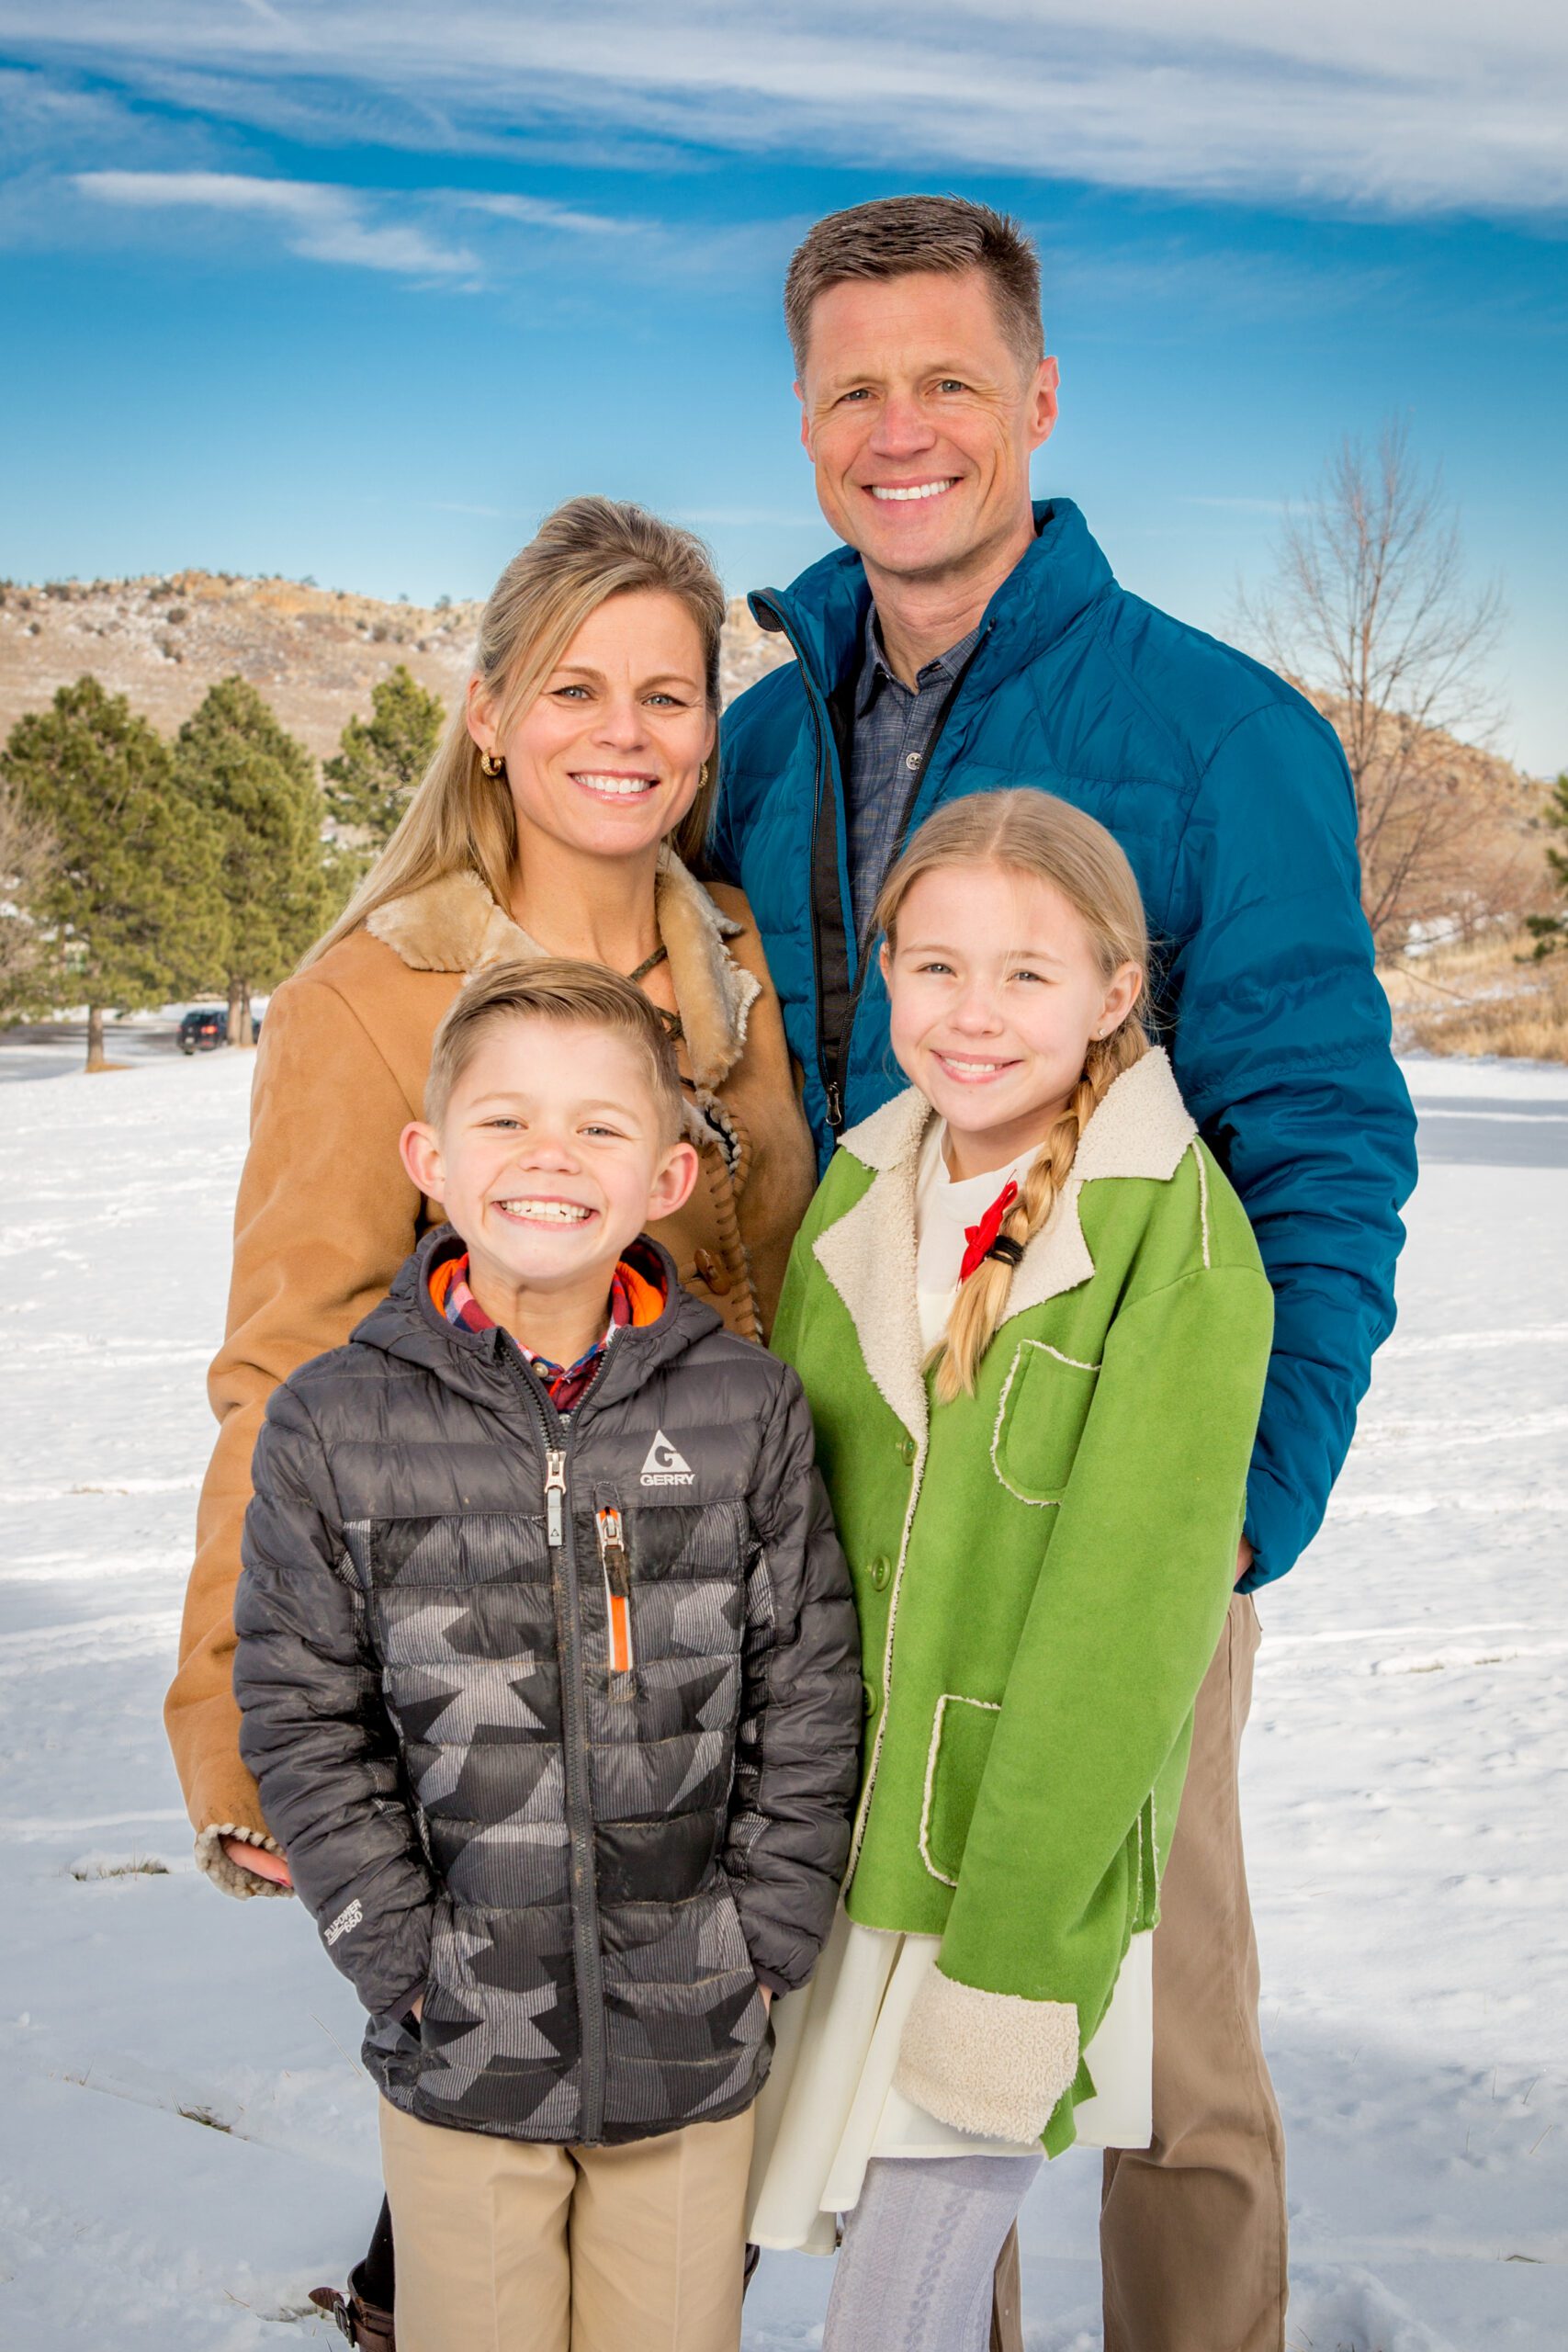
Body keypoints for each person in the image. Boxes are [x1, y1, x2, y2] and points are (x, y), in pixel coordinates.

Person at [713, 195, 1418, 2351]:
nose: (897, 425)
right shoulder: (762, 739)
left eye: (946, 378)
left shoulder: (1213, 730)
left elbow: (1319, 1131)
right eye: (851, 387)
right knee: (893, 1993)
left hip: (1103, 1492)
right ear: (805, 422)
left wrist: (1228, 1509)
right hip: (840, 1488)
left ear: (1033, 396)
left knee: (1147, 1997)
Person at [164, 498, 819, 2345]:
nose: (623, 731)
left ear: (712, 726)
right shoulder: (373, 992)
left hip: (708, 1674)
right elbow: (283, 1368)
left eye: (668, 693)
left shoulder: (743, 966)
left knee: (689, 2180)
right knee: (489, 2133)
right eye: (573, 685)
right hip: (492, 1698)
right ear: (485, 712)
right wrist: (228, 1708)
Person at [233, 958, 862, 2352]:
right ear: (431, 1161)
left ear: (668, 1178)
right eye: (506, 1122)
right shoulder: (332, 1425)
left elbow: (808, 1688)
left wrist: (762, 1935)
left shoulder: (744, 1410)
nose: (549, 1160)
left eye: (598, 1128)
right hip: (461, 2033)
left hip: (696, 2023)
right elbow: (300, 1714)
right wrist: (396, 1950)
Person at [748, 792, 1273, 2351]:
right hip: (838, 1866)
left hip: (1002, 1897)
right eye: (937, 968)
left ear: (1118, 993)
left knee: (888, 2324)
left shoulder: (1173, 1251)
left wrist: (1017, 1956)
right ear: (889, 979)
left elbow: (1121, 1653)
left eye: (1029, 975)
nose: (975, 1017)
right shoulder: (860, 1190)